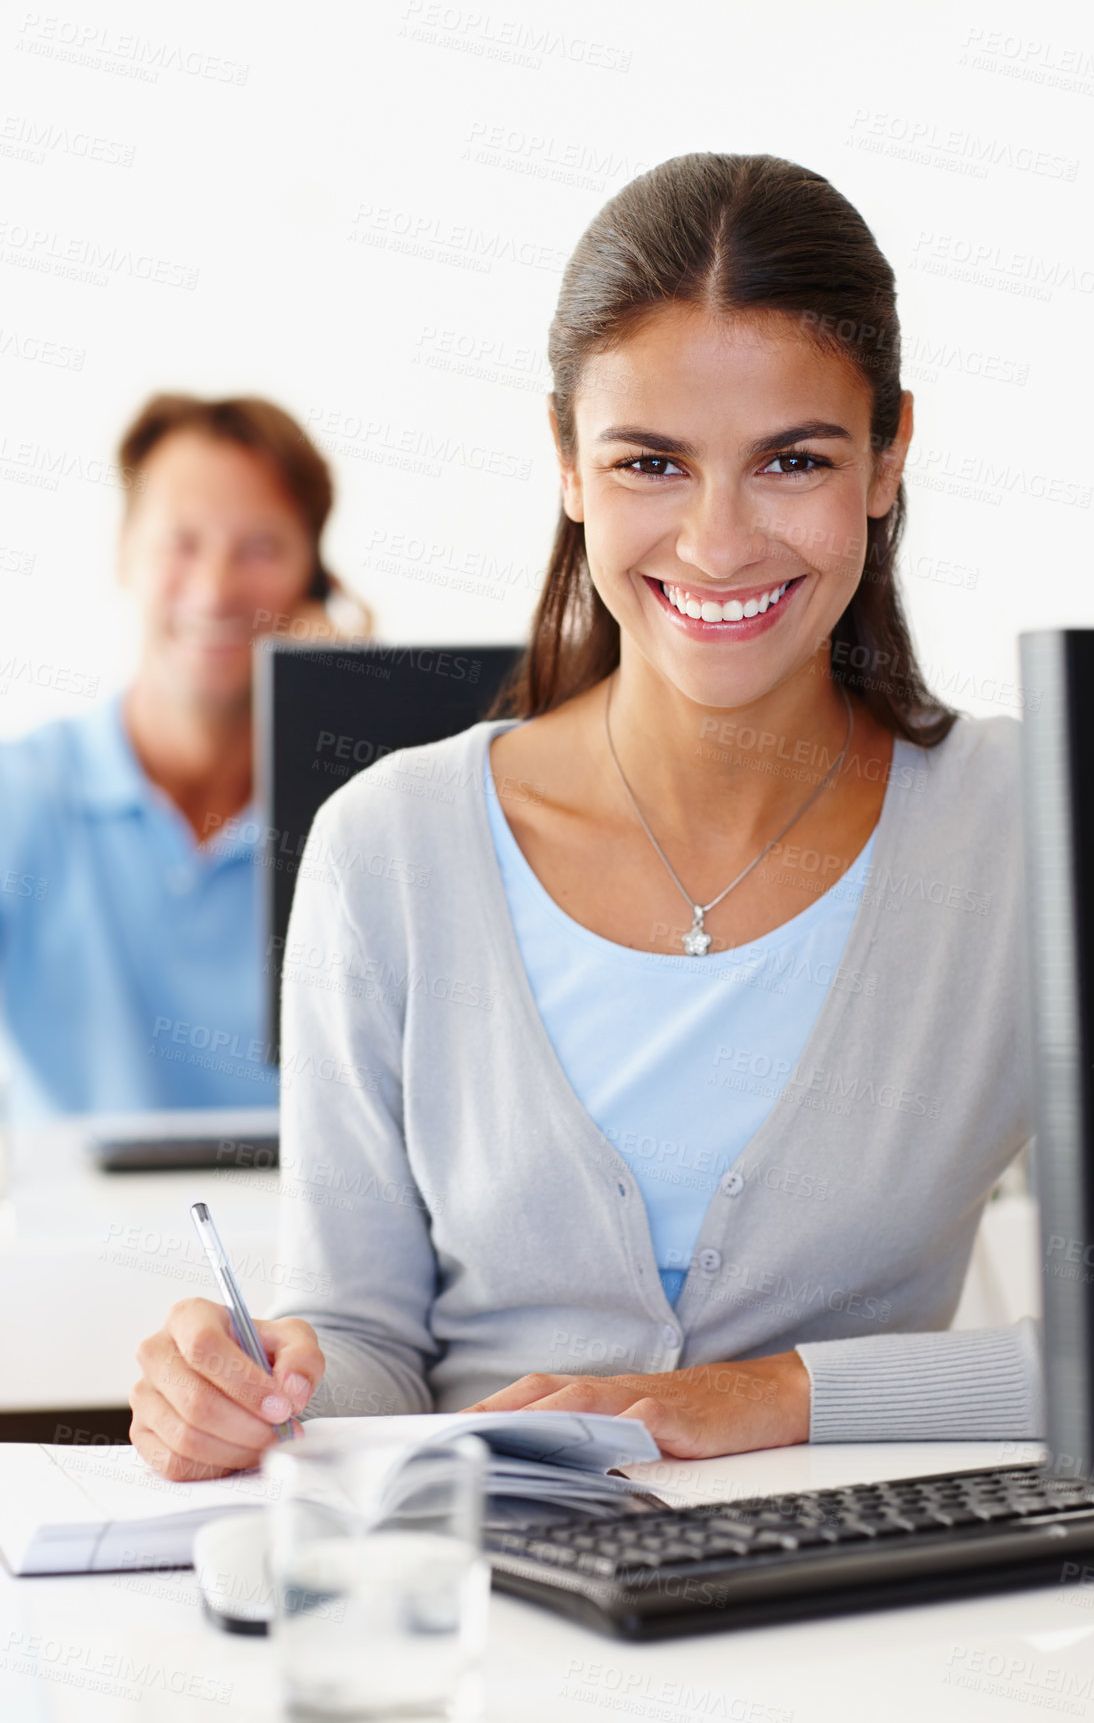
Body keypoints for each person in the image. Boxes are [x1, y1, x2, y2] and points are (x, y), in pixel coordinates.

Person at [131, 154, 1036, 1482]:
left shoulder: (1029, 832)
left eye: (792, 460)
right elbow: (365, 1339)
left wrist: (765, 1397)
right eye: (650, 463)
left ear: (888, 456)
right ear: (566, 461)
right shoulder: (390, 850)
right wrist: (261, 1389)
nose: (719, 543)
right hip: (486, 1632)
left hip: (856, 1631)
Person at [0, 394, 370, 1122]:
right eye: (181, 542)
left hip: (298, 1228)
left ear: (314, 579)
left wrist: (347, 728)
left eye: (260, 547)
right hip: (73, 1230)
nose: (214, 589)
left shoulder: (363, 806)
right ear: (123, 554)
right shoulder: (23, 793)